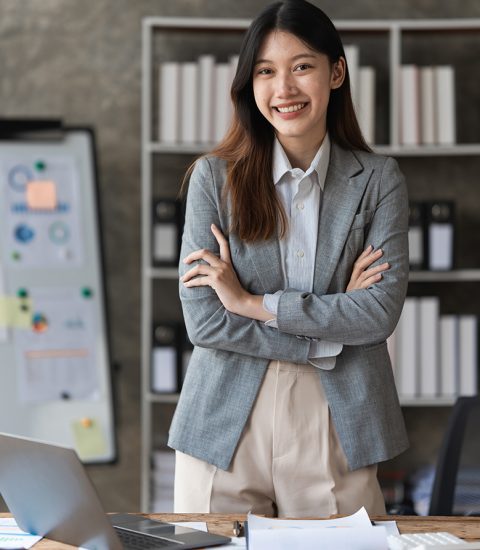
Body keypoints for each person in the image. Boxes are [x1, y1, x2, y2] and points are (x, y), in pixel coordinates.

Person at [169, 0, 409, 517]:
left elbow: (378, 314)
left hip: (337, 415)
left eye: (302, 66)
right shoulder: (215, 178)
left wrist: (251, 302)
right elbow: (205, 320)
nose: (284, 89)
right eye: (265, 71)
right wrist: (327, 328)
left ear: (336, 72)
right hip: (225, 420)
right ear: (249, 85)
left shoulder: (378, 180)